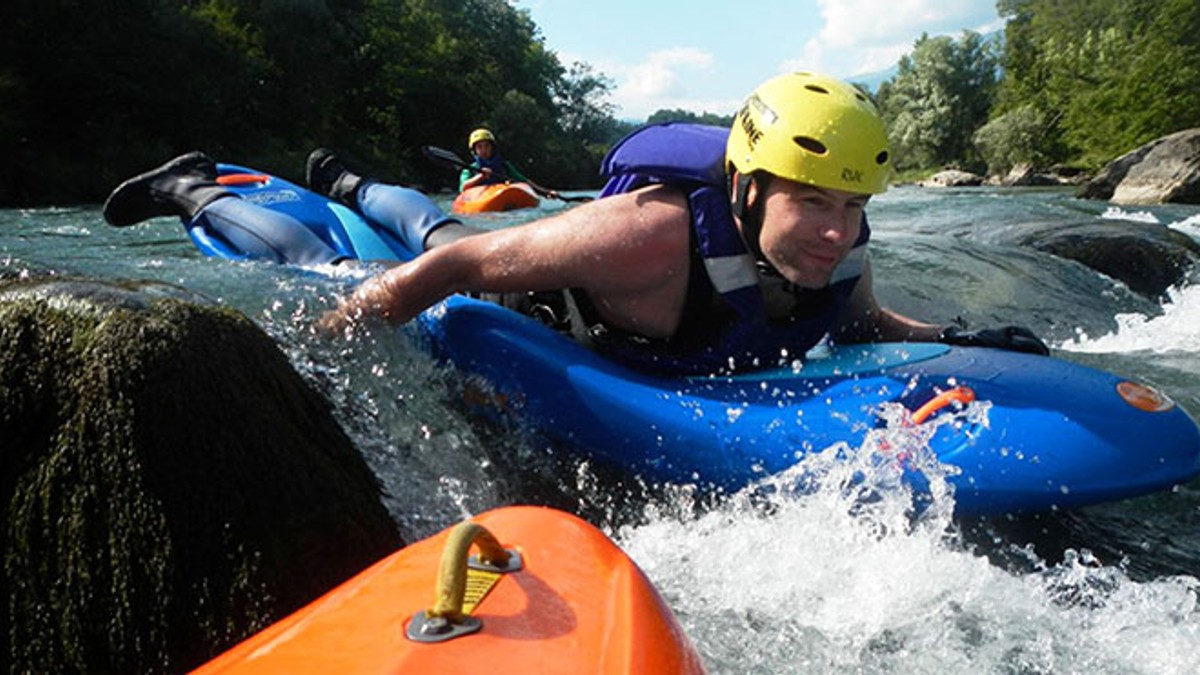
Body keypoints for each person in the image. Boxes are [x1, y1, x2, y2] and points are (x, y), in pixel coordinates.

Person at [315, 72, 1049, 374]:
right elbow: (456, 273)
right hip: (511, 293)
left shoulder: (844, 245)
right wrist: (329, 347)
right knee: (419, 243)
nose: (838, 230)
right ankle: (332, 185)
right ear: (748, 190)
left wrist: (956, 337)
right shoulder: (649, 236)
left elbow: (862, 324)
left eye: (853, 205)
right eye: (813, 201)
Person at [460, 128, 560, 200]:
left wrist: (546, 192)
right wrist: (480, 177)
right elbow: (463, 188)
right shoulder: (469, 169)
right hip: (478, 198)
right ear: (474, 150)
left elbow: (524, 181)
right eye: (479, 147)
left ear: (492, 148)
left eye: (487, 146)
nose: (484, 150)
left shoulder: (504, 166)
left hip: (501, 196)